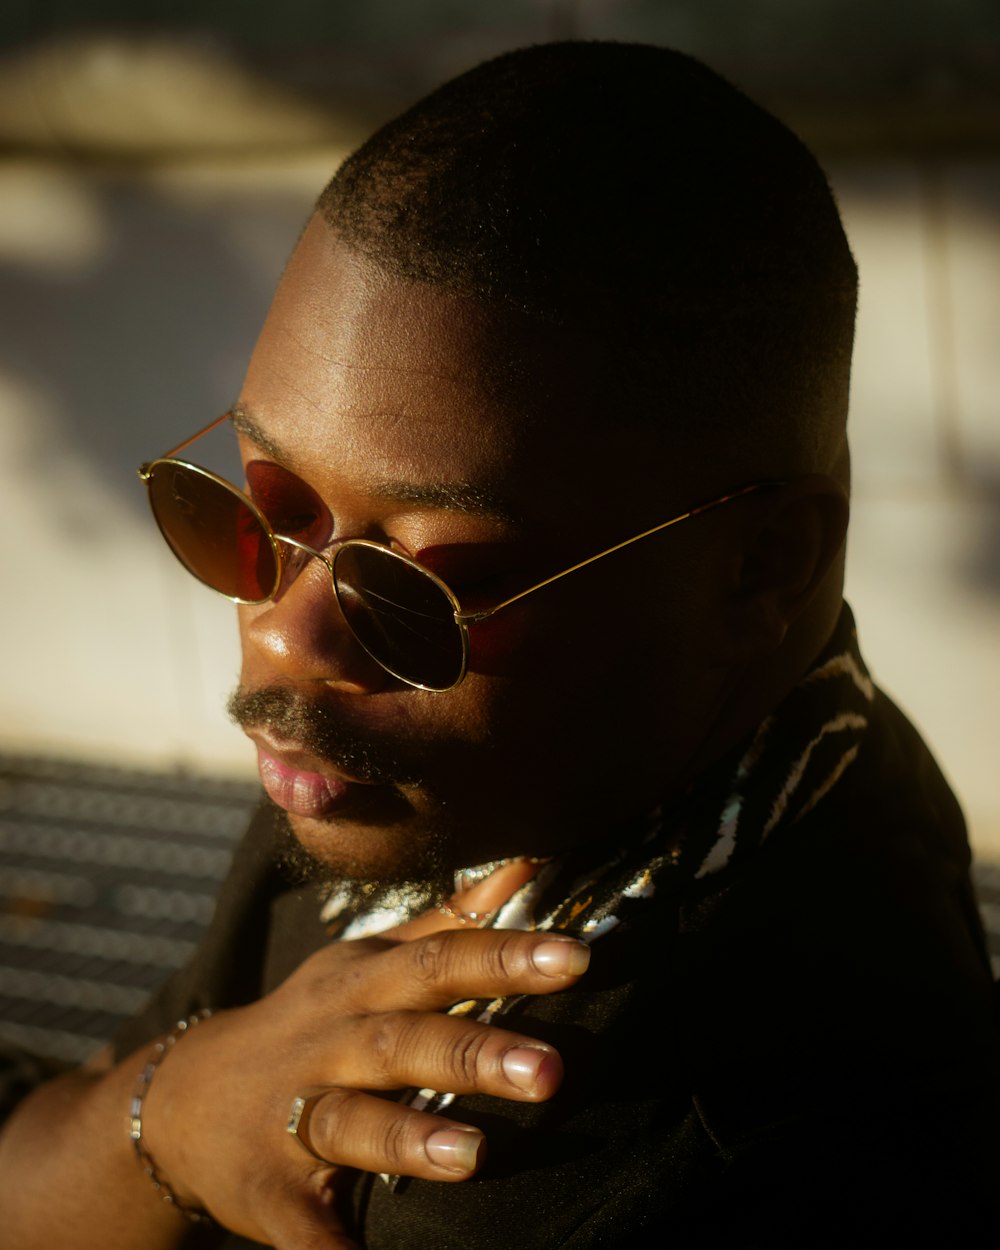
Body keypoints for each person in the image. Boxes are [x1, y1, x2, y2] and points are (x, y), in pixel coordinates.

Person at [2, 40, 998, 1249]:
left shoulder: (664, 1157)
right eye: (261, 508)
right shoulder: (466, 778)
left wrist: (142, 1124)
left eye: (415, 585)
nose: (285, 633)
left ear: (757, 568)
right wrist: (165, 1115)